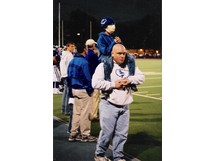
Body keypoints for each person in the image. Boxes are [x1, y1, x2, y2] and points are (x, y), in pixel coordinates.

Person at [92, 44, 144, 161]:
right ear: (112, 54)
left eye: (124, 53)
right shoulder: (104, 65)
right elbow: (95, 83)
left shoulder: (130, 65)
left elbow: (141, 77)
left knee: (122, 134)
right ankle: (99, 155)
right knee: (106, 133)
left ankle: (118, 157)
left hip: (125, 105)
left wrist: (129, 80)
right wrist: (113, 85)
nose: (122, 56)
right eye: (119, 53)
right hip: (109, 104)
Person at [97, 17, 138, 92]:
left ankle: (131, 79)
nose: (113, 26)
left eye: (113, 24)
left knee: (131, 58)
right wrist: (114, 42)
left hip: (114, 55)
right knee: (107, 62)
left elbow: (120, 48)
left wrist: (120, 42)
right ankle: (107, 84)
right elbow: (105, 51)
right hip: (106, 56)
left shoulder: (112, 36)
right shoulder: (101, 38)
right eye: (111, 24)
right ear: (106, 27)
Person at [67, 43, 97, 142]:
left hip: (74, 89)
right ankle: (85, 135)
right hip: (82, 89)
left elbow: (68, 77)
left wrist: (70, 90)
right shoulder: (84, 62)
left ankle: (73, 133)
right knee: (85, 113)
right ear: (84, 50)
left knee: (76, 112)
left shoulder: (72, 61)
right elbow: (87, 78)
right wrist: (90, 89)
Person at [85, 39, 100, 120]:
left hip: (89, 78)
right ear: (93, 45)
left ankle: (90, 113)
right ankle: (93, 115)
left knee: (91, 97)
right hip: (94, 77)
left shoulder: (87, 54)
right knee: (95, 98)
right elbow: (98, 66)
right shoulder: (93, 55)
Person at [59, 42, 76, 115]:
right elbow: (71, 66)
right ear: (67, 47)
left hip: (64, 75)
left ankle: (63, 109)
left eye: (73, 46)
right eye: (71, 46)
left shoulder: (64, 54)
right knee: (68, 94)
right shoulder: (69, 55)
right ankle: (67, 110)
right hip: (68, 75)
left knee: (65, 93)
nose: (73, 48)